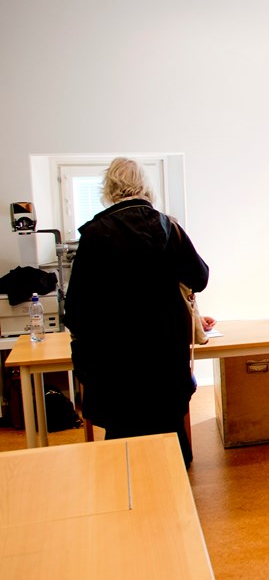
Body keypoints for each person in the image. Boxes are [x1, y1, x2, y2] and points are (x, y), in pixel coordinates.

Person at [64, 157, 209, 468]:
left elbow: (75, 309)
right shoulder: (169, 228)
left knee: (123, 452)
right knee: (170, 442)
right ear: (146, 187)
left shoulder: (94, 234)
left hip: (117, 367)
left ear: (110, 189)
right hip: (165, 361)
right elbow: (200, 277)